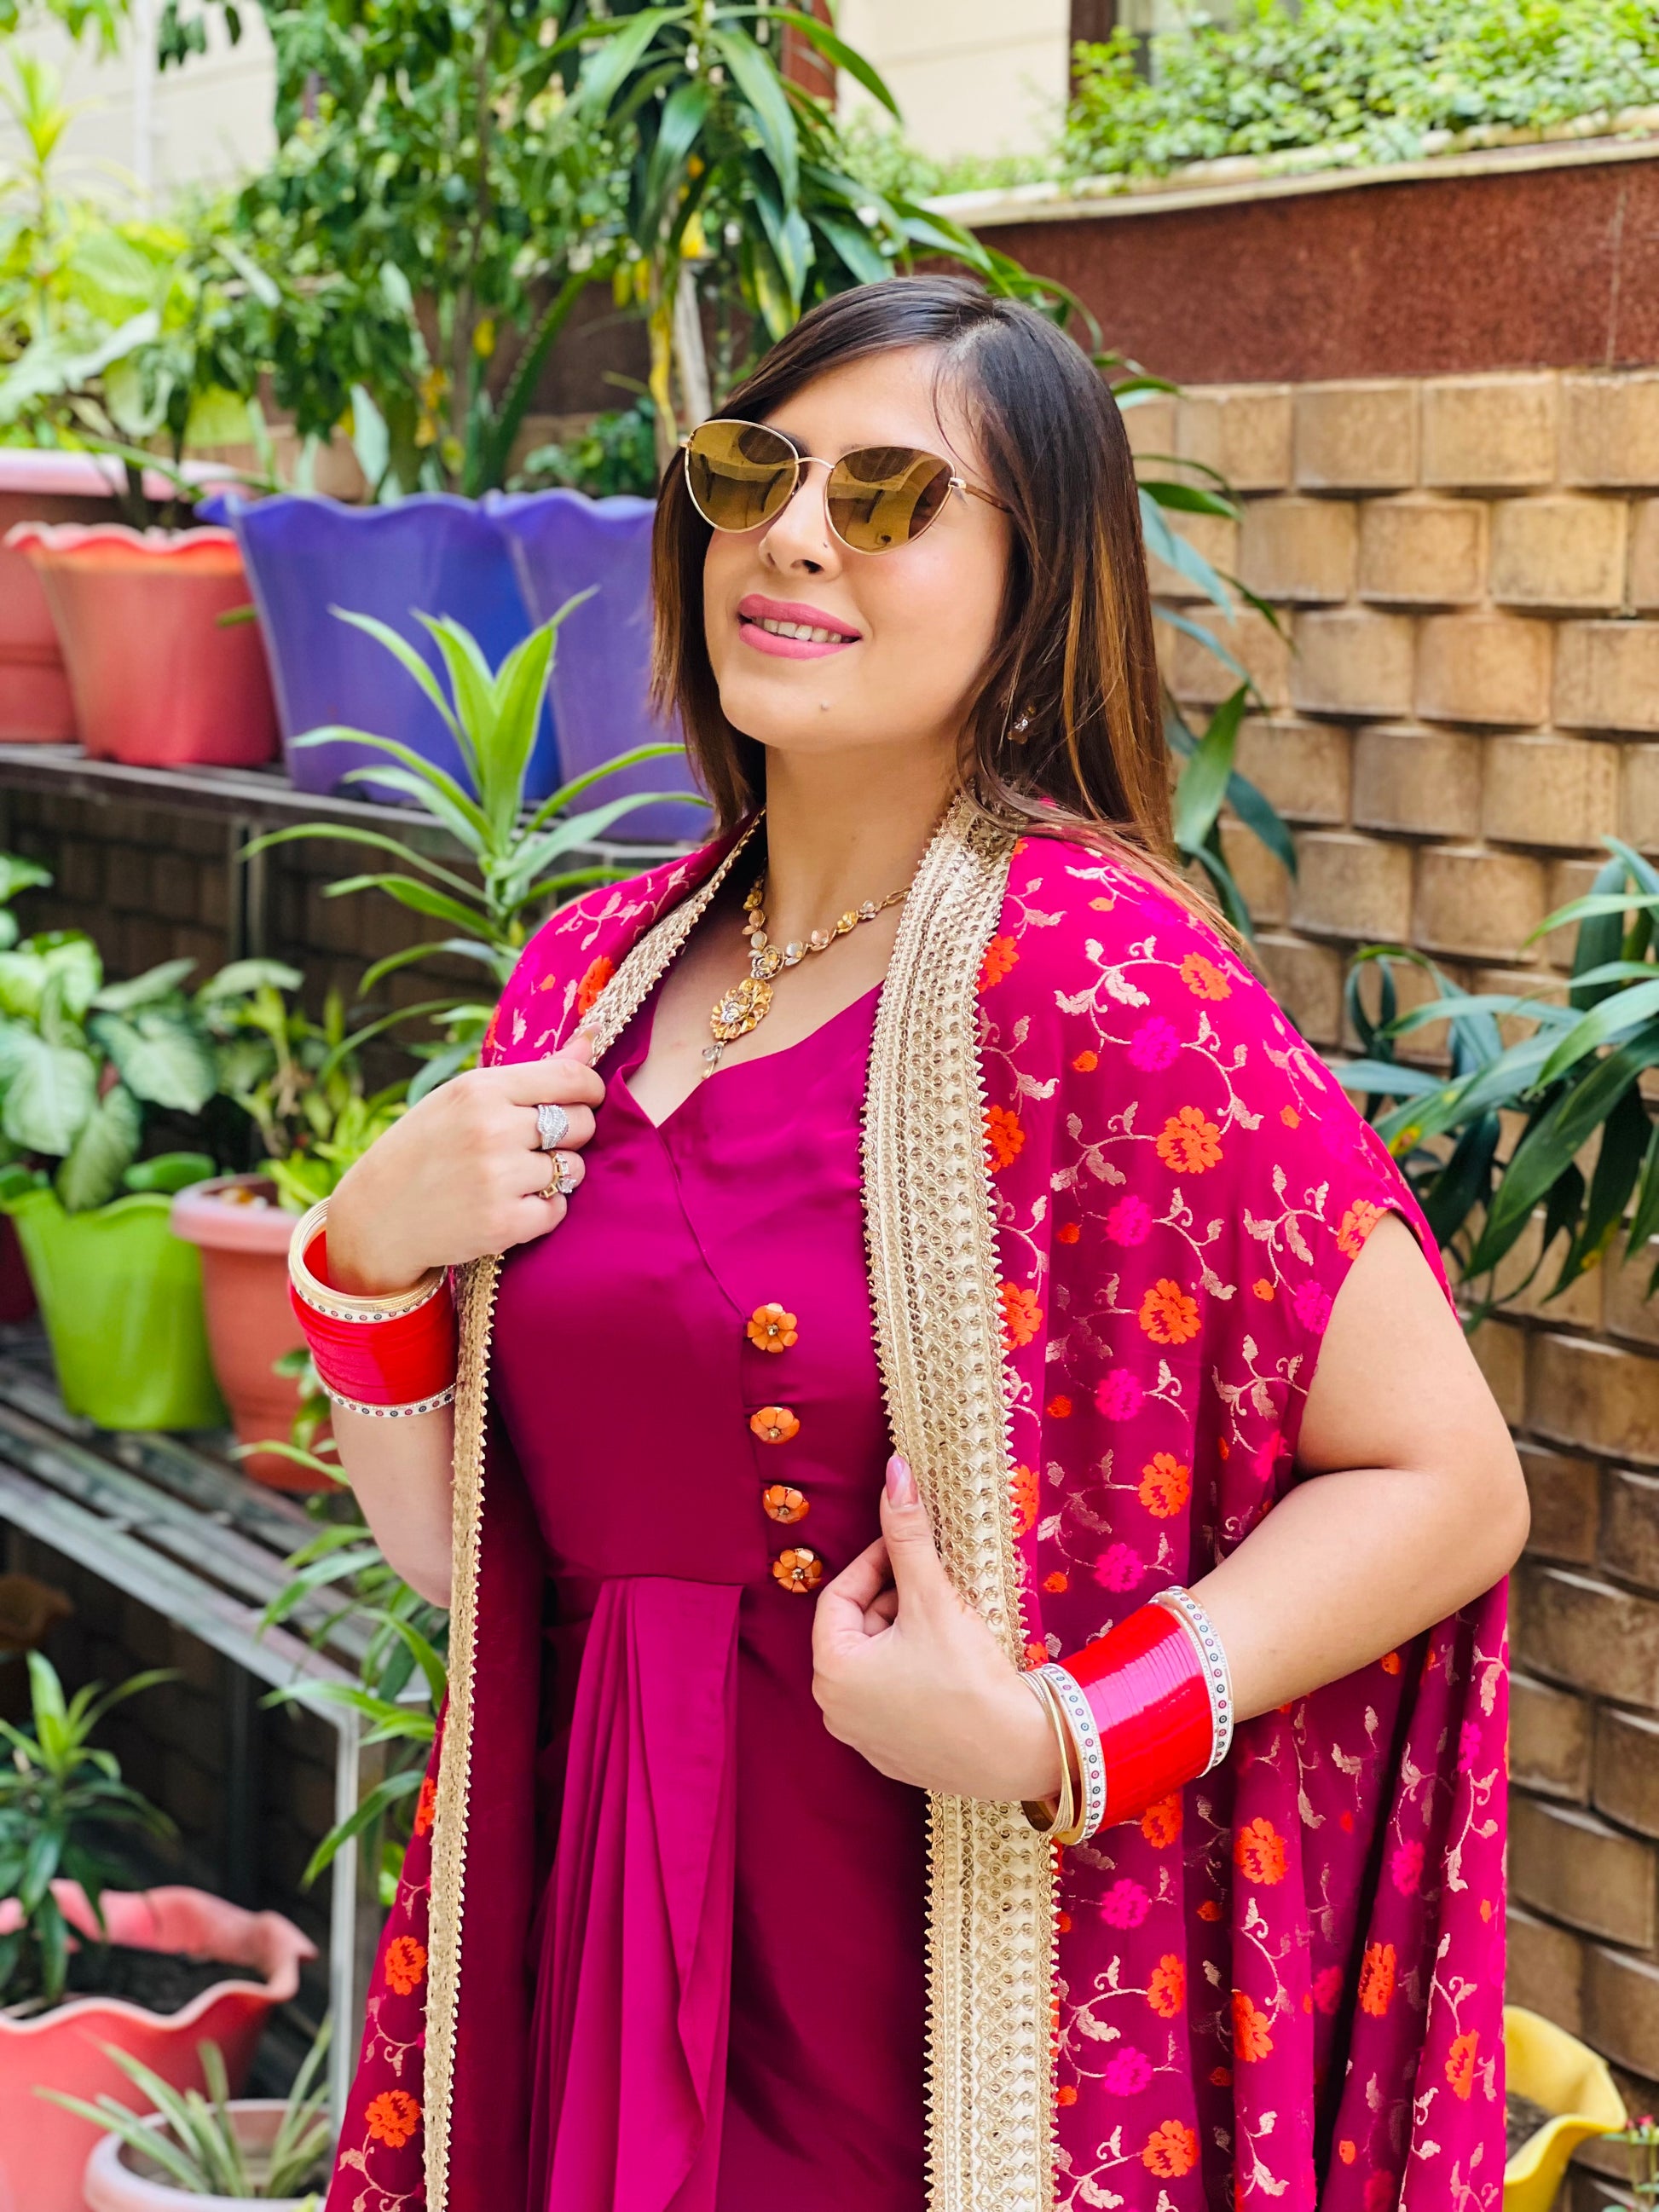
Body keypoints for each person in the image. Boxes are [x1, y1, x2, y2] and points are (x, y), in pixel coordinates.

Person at [299, 275, 1526, 2212]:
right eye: (753, 472)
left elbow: (1449, 1483)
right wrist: (364, 1264)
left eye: (887, 496)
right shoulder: (592, 973)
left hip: (908, 1970)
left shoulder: (1101, 980)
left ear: (1036, 587)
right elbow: (464, 1553)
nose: (793, 533)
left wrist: (1057, 1732)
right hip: (580, 1906)